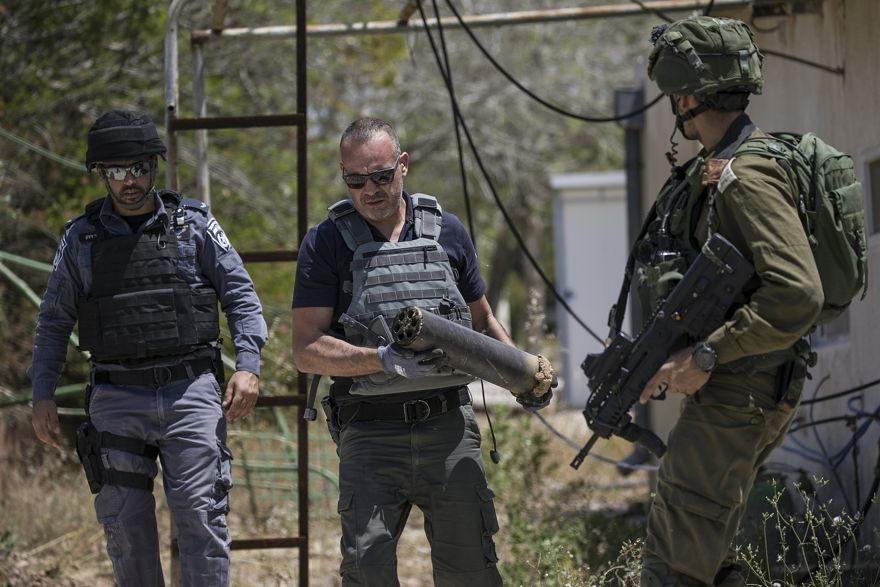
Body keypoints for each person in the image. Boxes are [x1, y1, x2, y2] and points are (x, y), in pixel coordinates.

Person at [292, 117, 552, 586]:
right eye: (356, 179)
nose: (370, 189)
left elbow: (482, 323)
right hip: (370, 434)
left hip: (449, 429)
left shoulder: (447, 231)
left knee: (471, 573)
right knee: (366, 572)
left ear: (403, 166)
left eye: (381, 176)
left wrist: (523, 375)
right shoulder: (326, 242)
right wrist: (381, 360)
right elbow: (306, 349)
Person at [30, 109, 267, 586]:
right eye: (116, 171)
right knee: (127, 533)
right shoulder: (81, 238)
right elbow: (54, 319)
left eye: (137, 168)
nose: (129, 180)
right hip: (117, 398)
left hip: (190, 391)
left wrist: (248, 365)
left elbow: (241, 295)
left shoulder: (194, 224)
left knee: (203, 524)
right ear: (101, 174)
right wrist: (42, 393)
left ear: (154, 167)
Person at [631, 16, 825, 586]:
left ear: (687, 96)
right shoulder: (724, 170)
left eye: (675, 97)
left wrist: (706, 357)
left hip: (739, 388)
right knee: (708, 560)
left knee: (672, 567)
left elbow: (798, 291)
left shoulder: (747, 175)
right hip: (744, 390)